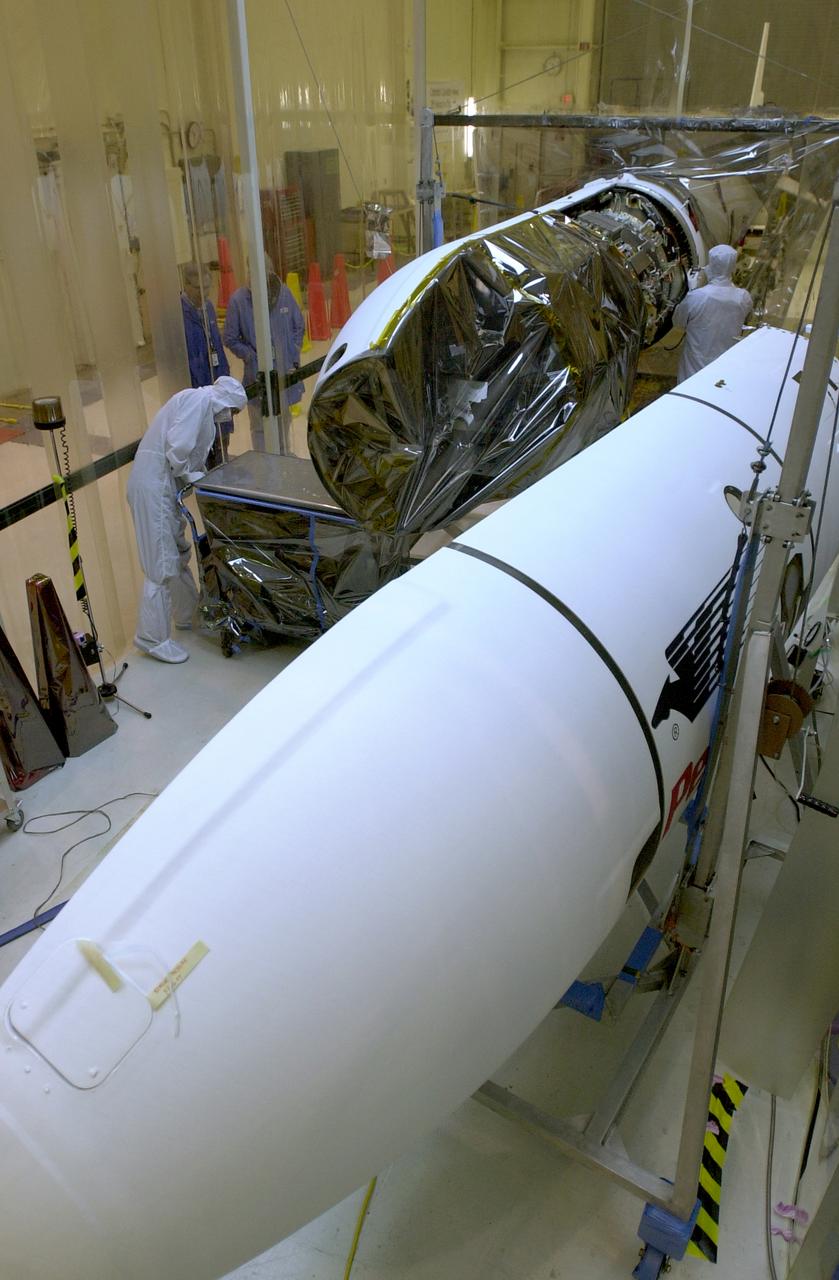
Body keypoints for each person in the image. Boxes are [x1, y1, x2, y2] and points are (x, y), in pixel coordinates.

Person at [127, 377, 247, 664]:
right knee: (161, 562)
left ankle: (186, 615)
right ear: (227, 401)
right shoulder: (199, 401)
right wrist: (198, 477)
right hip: (154, 485)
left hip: (163, 485)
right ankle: (152, 637)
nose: (231, 417)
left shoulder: (198, 402)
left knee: (178, 551)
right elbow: (179, 449)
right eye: (234, 410)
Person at [223, 254, 305, 450]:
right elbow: (230, 337)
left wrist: (292, 354)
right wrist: (250, 356)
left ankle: (283, 458)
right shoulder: (238, 301)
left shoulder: (283, 293)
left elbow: (298, 326)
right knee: (259, 426)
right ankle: (264, 464)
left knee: (283, 422)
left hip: (284, 375)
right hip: (257, 377)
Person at [671, 244, 752, 383]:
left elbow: (678, 321)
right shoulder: (743, 298)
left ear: (712, 265)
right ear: (732, 267)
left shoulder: (697, 297)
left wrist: (691, 291)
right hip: (724, 367)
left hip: (694, 369)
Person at [180, 262, 231, 468]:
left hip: (215, 387)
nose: (204, 293)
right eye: (198, 288)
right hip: (196, 392)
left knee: (222, 446)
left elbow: (217, 346)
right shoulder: (179, 315)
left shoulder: (208, 308)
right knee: (204, 453)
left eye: (208, 287)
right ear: (185, 285)